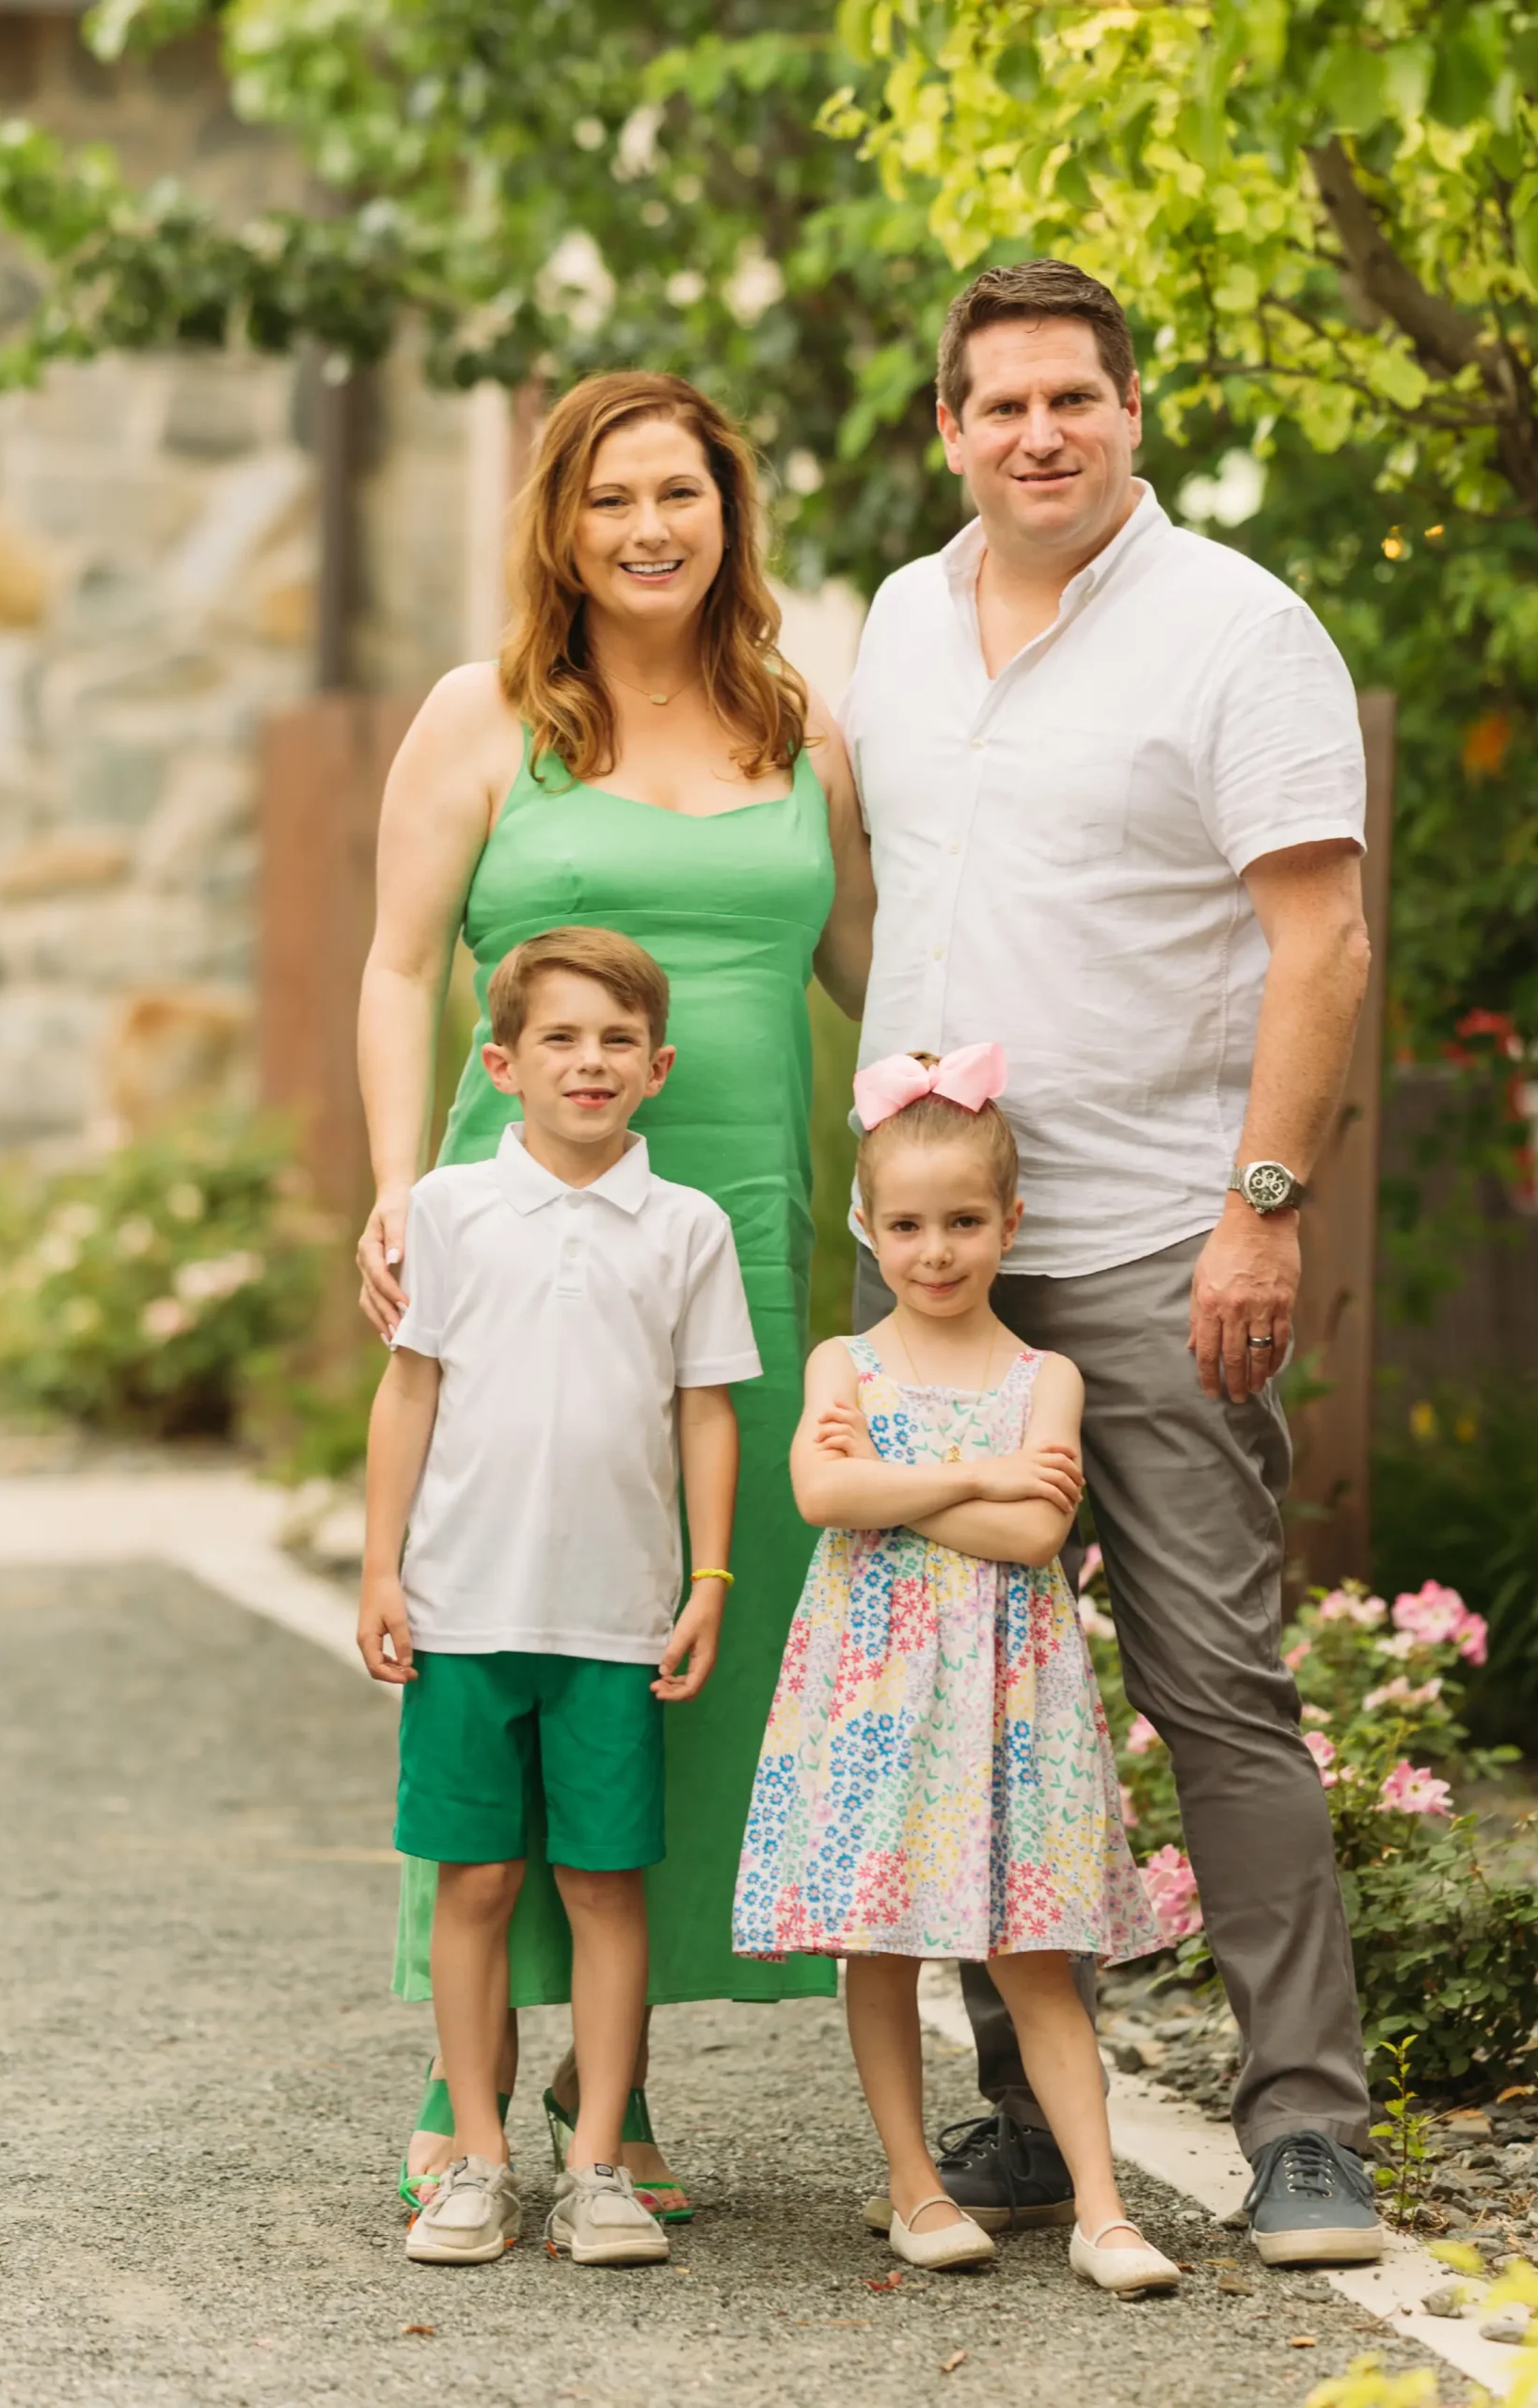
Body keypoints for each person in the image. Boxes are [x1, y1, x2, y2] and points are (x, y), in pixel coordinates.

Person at [843, 259, 1383, 2266]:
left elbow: (1315, 938)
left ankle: (1304, 2130)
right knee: (971, 1697)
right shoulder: (896, 622)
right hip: (936, 1281)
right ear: (946, 426)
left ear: (1131, 407)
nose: (1037, 432)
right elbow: (886, 903)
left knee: (1214, 1686)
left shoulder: (1236, 630)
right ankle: (1013, 2112)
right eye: (999, 404)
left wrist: (1260, 1200)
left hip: (1157, 1239)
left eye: (1074, 395)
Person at [354, 371, 874, 2218]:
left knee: (683, 1651)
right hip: (525, 1243)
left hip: (734, 1227)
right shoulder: (480, 715)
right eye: (610, 499)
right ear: (558, 529)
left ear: (730, 510)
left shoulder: (802, 728)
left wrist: (935, 1172)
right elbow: (399, 957)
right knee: (510, 1624)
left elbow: (872, 973)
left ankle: (615, 2087)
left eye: (683, 491)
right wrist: (397, 1186)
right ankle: (468, 2082)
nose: (649, 527)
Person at [734, 1048, 1175, 2295]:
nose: (937, 1252)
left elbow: (1032, 1536)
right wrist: (979, 1474)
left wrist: (901, 1488)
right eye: (911, 1226)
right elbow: (823, 1492)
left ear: (1008, 1224)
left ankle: (1100, 2207)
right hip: (874, 1702)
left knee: (1036, 1956)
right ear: (869, 1229)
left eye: (965, 1223)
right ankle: (912, 2183)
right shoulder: (843, 1365)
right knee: (877, 1946)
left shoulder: (1048, 1378)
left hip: (1010, 1707)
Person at [359, 927, 759, 2267]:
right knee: (471, 1880)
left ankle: (596, 2166)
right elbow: (408, 1391)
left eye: (613, 1041)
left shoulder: (687, 1227)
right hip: (463, 1612)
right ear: (502, 1063)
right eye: (559, 1039)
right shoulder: (448, 1213)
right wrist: (378, 1567)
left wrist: (709, 1579)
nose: (588, 1062)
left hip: (616, 1621)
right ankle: (473, 2157)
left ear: (656, 1066)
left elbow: (707, 1414)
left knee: (602, 1884)